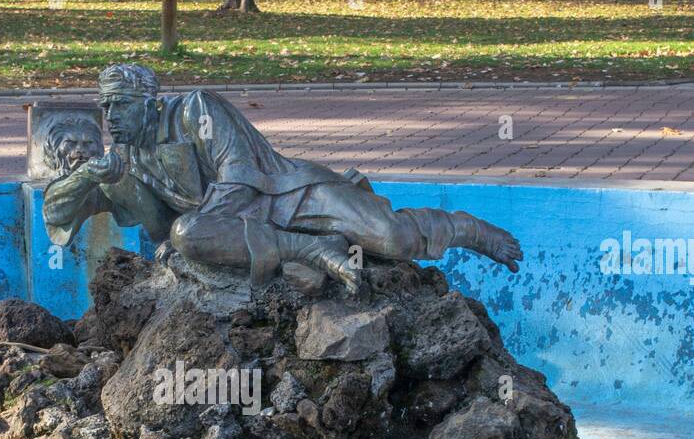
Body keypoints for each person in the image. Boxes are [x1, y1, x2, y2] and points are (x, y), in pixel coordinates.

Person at [42, 63, 522, 291]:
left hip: (290, 194)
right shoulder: (123, 160)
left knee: (391, 237)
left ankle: (464, 228)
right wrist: (87, 178)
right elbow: (56, 210)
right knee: (186, 234)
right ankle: (310, 252)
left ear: (149, 102)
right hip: (234, 233)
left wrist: (200, 225)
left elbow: (238, 173)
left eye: (119, 106)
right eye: (105, 107)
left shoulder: (197, 109)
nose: (110, 117)